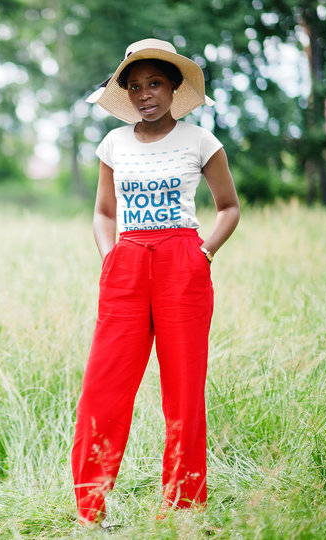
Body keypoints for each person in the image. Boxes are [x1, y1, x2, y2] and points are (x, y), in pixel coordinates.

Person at [71, 38, 240, 528]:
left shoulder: (200, 141)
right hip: (126, 265)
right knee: (104, 386)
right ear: (126, 93)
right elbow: (104, 214)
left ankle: (183, 508)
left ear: (173, 88)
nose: (146, 94)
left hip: (182, 265)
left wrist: (204, 253)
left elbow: (228, 207)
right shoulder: (113, 144)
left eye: (155, 84)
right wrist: (112, 259)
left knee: (183, 390)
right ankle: (90, 509)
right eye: (136, 85)